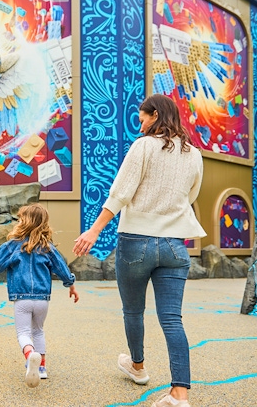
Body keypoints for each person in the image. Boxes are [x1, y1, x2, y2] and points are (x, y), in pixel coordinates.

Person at [73, 94, 205, 407]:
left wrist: (93, 230)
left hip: (136, 242)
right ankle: (180, 394)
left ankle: (138, 367)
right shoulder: (194, 153)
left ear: (155, 114)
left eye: (142, 117)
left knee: (133, 311)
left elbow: (120, 193)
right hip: (175, 246)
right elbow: (192, 194)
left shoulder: (143, 146)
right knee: (172, 320)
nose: (140, 123)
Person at [0, 203, 79, 388]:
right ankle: (41, 368)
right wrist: (71, 285)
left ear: (23, 222)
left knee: (24, 333)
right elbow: (63, 269)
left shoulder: (12, 246)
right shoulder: (48, 248)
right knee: (38, 331)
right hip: (42, 299)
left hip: (22, 298)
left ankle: (30, 355)